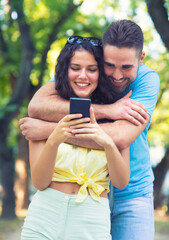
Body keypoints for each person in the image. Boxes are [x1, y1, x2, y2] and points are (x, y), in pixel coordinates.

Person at [20, 20, 160, 240]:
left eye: (126, 67)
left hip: (132, 193)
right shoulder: (86, 70)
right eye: (109, 65)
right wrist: (109, 111)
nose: (115, 75)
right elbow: (37, 106)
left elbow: (121, 137)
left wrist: (49, 129)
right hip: (82, 201)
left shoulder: (147, 80)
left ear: (140, 59)